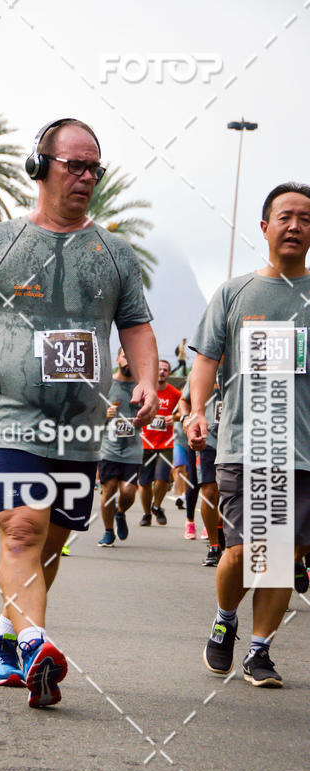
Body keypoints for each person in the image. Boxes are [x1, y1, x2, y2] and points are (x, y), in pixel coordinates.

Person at [0, 118, 158, 707]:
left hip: (80, 427)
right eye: (73, 165)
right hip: (10, 416)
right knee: (23, 528)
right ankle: (35, 644)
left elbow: (136, 327)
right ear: (40, 166)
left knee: (52, 543)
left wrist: (149, 380)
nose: (85, 177)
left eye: (93, 169)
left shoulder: (115, 254)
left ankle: (6, 636)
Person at [189, 182, 310, 687]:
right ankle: (225, 620)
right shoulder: (234, 293)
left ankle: (259, 651)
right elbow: (207, 360)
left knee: (280, 555)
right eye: (285, 217)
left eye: (305, 219)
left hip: (300, 451)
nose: (295, 226)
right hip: (242, 443)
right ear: (265, 227)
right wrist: (196, 410)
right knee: (240, 552)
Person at [97, 347, 143, 546]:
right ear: (118, 358)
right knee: (109, 489)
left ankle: (120, 512)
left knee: (128, 492)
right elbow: (90, 411)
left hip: (132, 448)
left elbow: (152, 412)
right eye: (125, 356)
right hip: (109, 446)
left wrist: (144, 416)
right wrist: (103, 414)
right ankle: (108, 531)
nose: (128, 361)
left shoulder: (141, 386)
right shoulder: (106, 384)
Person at [180, 374, 222, 565]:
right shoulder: (205, 364)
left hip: (241, 438)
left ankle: (223, 532)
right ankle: (214, 546)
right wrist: (185, 418)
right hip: (209, 438)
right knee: (210, 492)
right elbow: (184, 399)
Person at [138, 359, 181, 526]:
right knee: (145, 481)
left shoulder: (175, 393)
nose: (162, 372)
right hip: (145, 441)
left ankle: (157, 506)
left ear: (169, 373)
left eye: (165, 370)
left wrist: (175, 417)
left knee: (162, 479)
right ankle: (147, 513)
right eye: (159, 369)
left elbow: (184, 410)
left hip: (166, 443)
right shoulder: (146, 392)